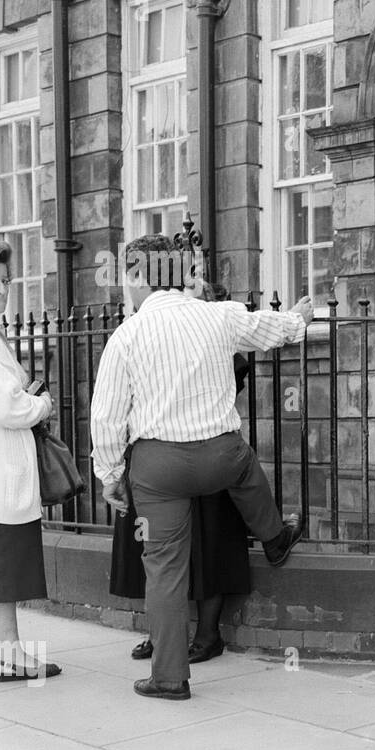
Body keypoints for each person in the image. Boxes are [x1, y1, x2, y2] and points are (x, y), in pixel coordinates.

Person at [91, 234, 311, 700]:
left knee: (165, 569)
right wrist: (298, 319)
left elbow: (107, 415)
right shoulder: (218, 315)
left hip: (158, 469)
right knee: (245, 466)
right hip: (220, 457)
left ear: (137, 276)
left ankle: (169, 678)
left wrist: (110, 475)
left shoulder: (127, 335)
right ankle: (274, 537)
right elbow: (268, 329)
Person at [110, 278, 252, 663]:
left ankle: (208, 635)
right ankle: (161, 638)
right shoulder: (142, 335)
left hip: (204, 455)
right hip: (157, 458)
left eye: (192, 290)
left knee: (210, 547)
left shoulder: (217, 335)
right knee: (153, 552)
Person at [0, 236, 63, 682]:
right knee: (0, 569)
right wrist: (41, 406)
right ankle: (10, 656)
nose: (0, 289)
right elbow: (2, 407)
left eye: (5, 281)